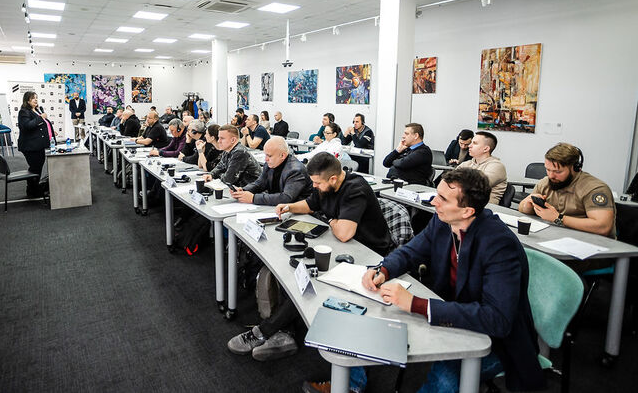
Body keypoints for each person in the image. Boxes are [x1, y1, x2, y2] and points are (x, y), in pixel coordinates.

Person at [354, 168, 546, 393]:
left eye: (443, 199)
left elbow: (497, 319)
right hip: (454, 318)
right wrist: (383, 270)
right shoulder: (442, 221)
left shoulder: (499, 245)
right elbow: (410, 252)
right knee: (374, 319)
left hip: (496, 342)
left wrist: (416, 304)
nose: (434, 201)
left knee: (444, 377)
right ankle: (352, 384)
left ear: (467, 211)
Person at [229, 152, 390, 365]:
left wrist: (331, 220)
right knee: (291, 268)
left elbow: (344, 233)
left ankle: (264, 331)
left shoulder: (355, 189)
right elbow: (310, 204)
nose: (314, 186)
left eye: (317, 183)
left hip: (368, 255)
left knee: (309, 278)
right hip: (342, 247)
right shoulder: (325, 185)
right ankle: (285, 333)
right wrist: (289, 207)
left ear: (333, 179)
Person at [518, 142, 615, 237]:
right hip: (555, 237)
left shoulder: (594, 188)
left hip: (590, 242)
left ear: (575, 168)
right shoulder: (546, 183)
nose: (551, 176)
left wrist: (558, 218)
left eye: (558, 172)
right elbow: (522, 208)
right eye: (548, 169)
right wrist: (528, 205)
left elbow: (603, 227)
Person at [231, 136, 312, 205]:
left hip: (301, 212)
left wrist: (253, 198)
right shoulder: (270, 164)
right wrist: (243, 190)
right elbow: (260, 183)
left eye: (269, 156)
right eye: (265, 155)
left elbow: (286, 198)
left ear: (282, 155)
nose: (266, 159)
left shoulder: (295, 170)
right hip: (278, 207)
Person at [17, 91, 54, 197]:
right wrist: (41, 117)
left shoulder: (37, 110)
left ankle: (34, 189)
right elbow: (27, 126)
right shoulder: (24, 112)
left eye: (37, 98)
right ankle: (31, 191)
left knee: (37, 167)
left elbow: (41, 125)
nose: (36, 100)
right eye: (33, 98)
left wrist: (50, 131)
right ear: (27, 100)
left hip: (38, 145)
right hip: (30, 146)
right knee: (35, 168)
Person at [456, 131, 507, 204]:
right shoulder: (466, 164)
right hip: (463, 202)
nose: (469, 146)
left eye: (475, 143)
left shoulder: (497, 166)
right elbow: (451, 180)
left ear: (486, 149)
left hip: (484, 207)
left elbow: (477, 186)